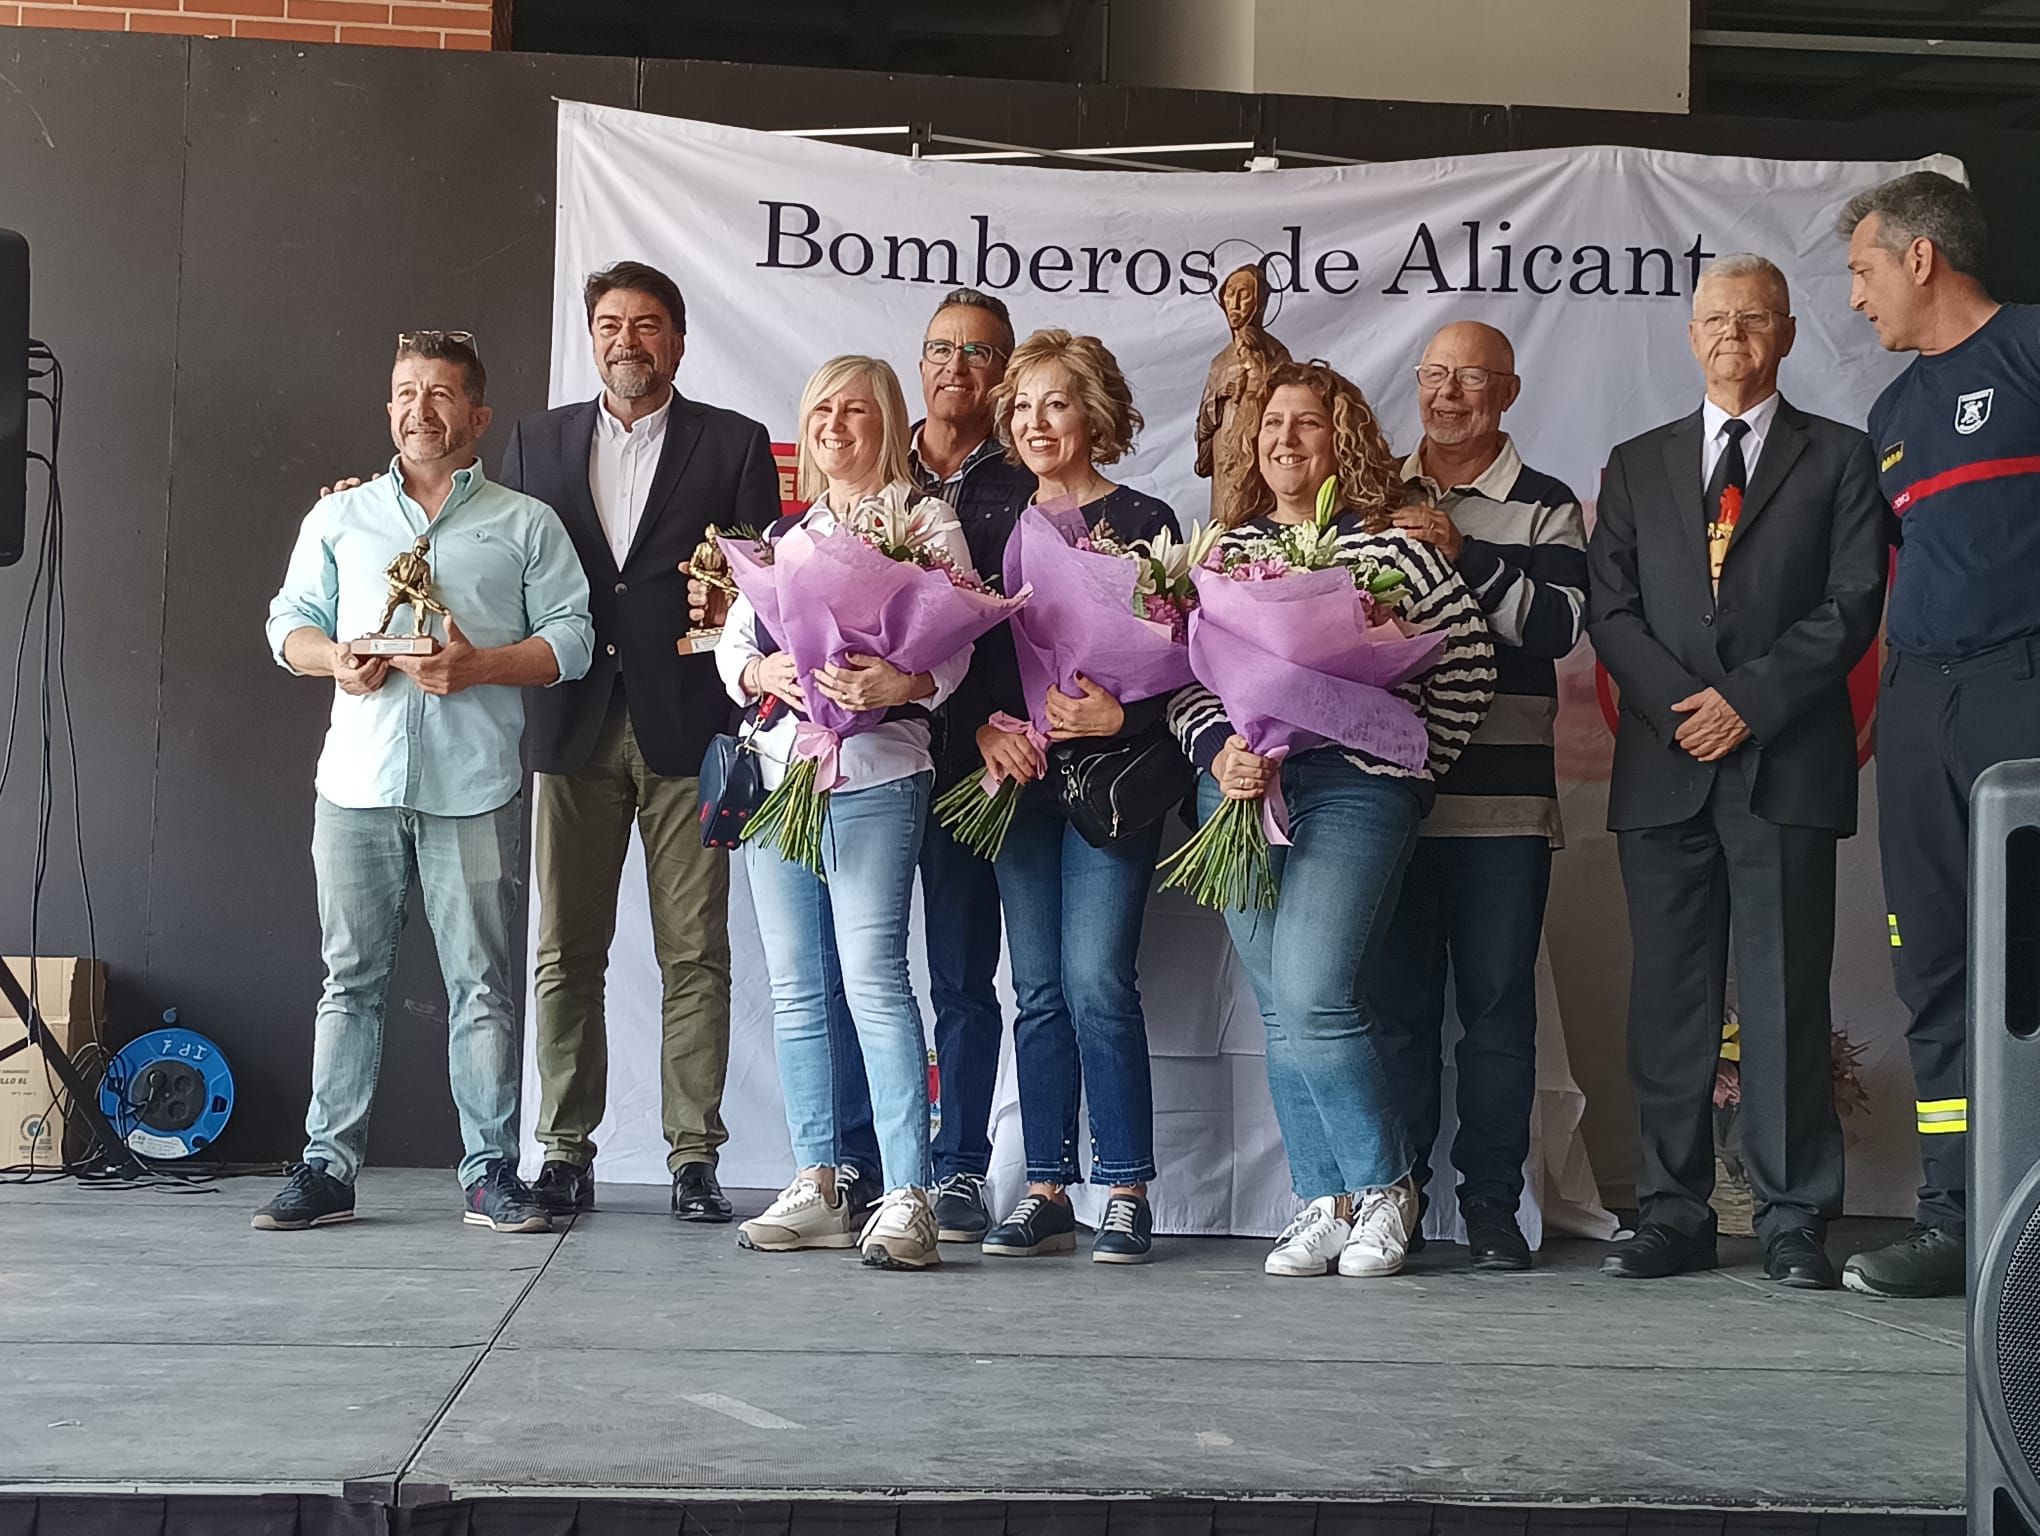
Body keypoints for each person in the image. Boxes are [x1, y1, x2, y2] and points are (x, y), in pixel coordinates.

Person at [1587, 254, 1887, 1289]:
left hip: (1784, 764)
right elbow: (1610, 614)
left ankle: (1794, 1216)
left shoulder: (1843, 458)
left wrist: (1746, 704)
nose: (1732, 335)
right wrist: (1688, 712)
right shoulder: (1636, 464)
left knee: (1785, 993)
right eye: (1716, 318)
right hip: (1667, 766)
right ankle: (1669, 1213)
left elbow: (1853, 604)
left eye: (1754, 319)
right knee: (1669, 1001)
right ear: (1689, 334)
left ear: (1789, 336)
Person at [257, 331, 594, 1233]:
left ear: (477, 417)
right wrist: (335, 658)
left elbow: (573, 639)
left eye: (441, 395)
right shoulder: (341, 517)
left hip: (473, 788)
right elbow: (288, 621)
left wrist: (480, 667)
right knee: (348, 981)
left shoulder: (526, 524)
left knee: (482, 984)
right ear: (389, 408)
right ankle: (326, 1168)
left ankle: (490, 1172)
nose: (420, 409)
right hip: (356, 786)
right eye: (406, 392)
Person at [1167, 359, 1495, 1280]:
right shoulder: (1221, 555)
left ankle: (1388, 1187)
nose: (1284, 440)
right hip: (1238, 793)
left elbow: (1467, 663)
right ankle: (1326, 1198)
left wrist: (1399, 753)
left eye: (1307, 423)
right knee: (1279, 1007)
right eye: (1271, 423)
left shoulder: (1393, 551)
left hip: (1356, 792)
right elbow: (1184, 688)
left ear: (1340, 438)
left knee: (1315, 993)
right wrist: (1216, 751)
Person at [502, 262, 780, 1226]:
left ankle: (694, 1158)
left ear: (679, 339)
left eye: (649, 324)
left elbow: (761, 585)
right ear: (591, 338)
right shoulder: (536, 440)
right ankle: (564, 1153)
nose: (630, 340)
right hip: (570, 719)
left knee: (695, 950)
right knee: (564, 950)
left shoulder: (736, 443)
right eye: (612, 324)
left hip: (690, 724)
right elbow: (500, 564)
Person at [717, 355, 978, 1272]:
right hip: (782, 776)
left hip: (877, 772)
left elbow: (953, 660)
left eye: (855, 410)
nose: (835, 425)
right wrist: (761, 672)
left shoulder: (927, 522)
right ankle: (820, 1178)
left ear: (888, 421)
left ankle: (907, 1193)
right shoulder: (790, 531)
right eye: (821, 410)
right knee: (795, 990)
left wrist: (898, 679)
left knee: (871, 978)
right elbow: (733, 642)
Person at [1837, 172, 2040, 1298]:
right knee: (1939, 970)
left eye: (1864, 271)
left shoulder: (2028, 351)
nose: (1857, 299)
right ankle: (1953, 1220)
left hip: (2026, 692)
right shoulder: (1892, 416)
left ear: (1921, 258)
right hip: (1925, 709)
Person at [1371, 321, 1587, 1272]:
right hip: (1394, 800)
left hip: (1504, 811)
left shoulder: (1546, 506)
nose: (1447, 394)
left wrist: (1462, 554)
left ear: (1508, 392)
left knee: (1498, 1016)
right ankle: (1400, 1197)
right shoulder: (1376, 492)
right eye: (1432, 377)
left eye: (1470, 379)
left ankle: (1494, 1206)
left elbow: (1555, 631)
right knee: (1398, 1013)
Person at [963, 329, 1180, 1265]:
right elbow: (953, 648)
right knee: (1040, 988)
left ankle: (1125, 1187)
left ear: (1093, 411)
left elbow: (1194, 667)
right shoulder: (986, 513)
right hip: (1015, 783)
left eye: (1055, 402)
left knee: (1097, 980)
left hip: (1110, 784)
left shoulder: (1146, 517)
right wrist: (980, 729)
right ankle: (1047, 1187)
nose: (1036, 421)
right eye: (1021, 406)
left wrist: (1117, 713)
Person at [1194, 263, 1292, 525]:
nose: (1235, 303)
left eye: (1244, 294)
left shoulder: (1276, 354)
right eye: (1229, 293)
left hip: (1258, 454)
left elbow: (1288, 411)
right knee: (1222, 526)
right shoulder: (1220, 361)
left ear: (1259, 301)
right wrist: (1220, 396)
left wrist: (1257, 379)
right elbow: (1202, 423)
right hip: (1224, 456)